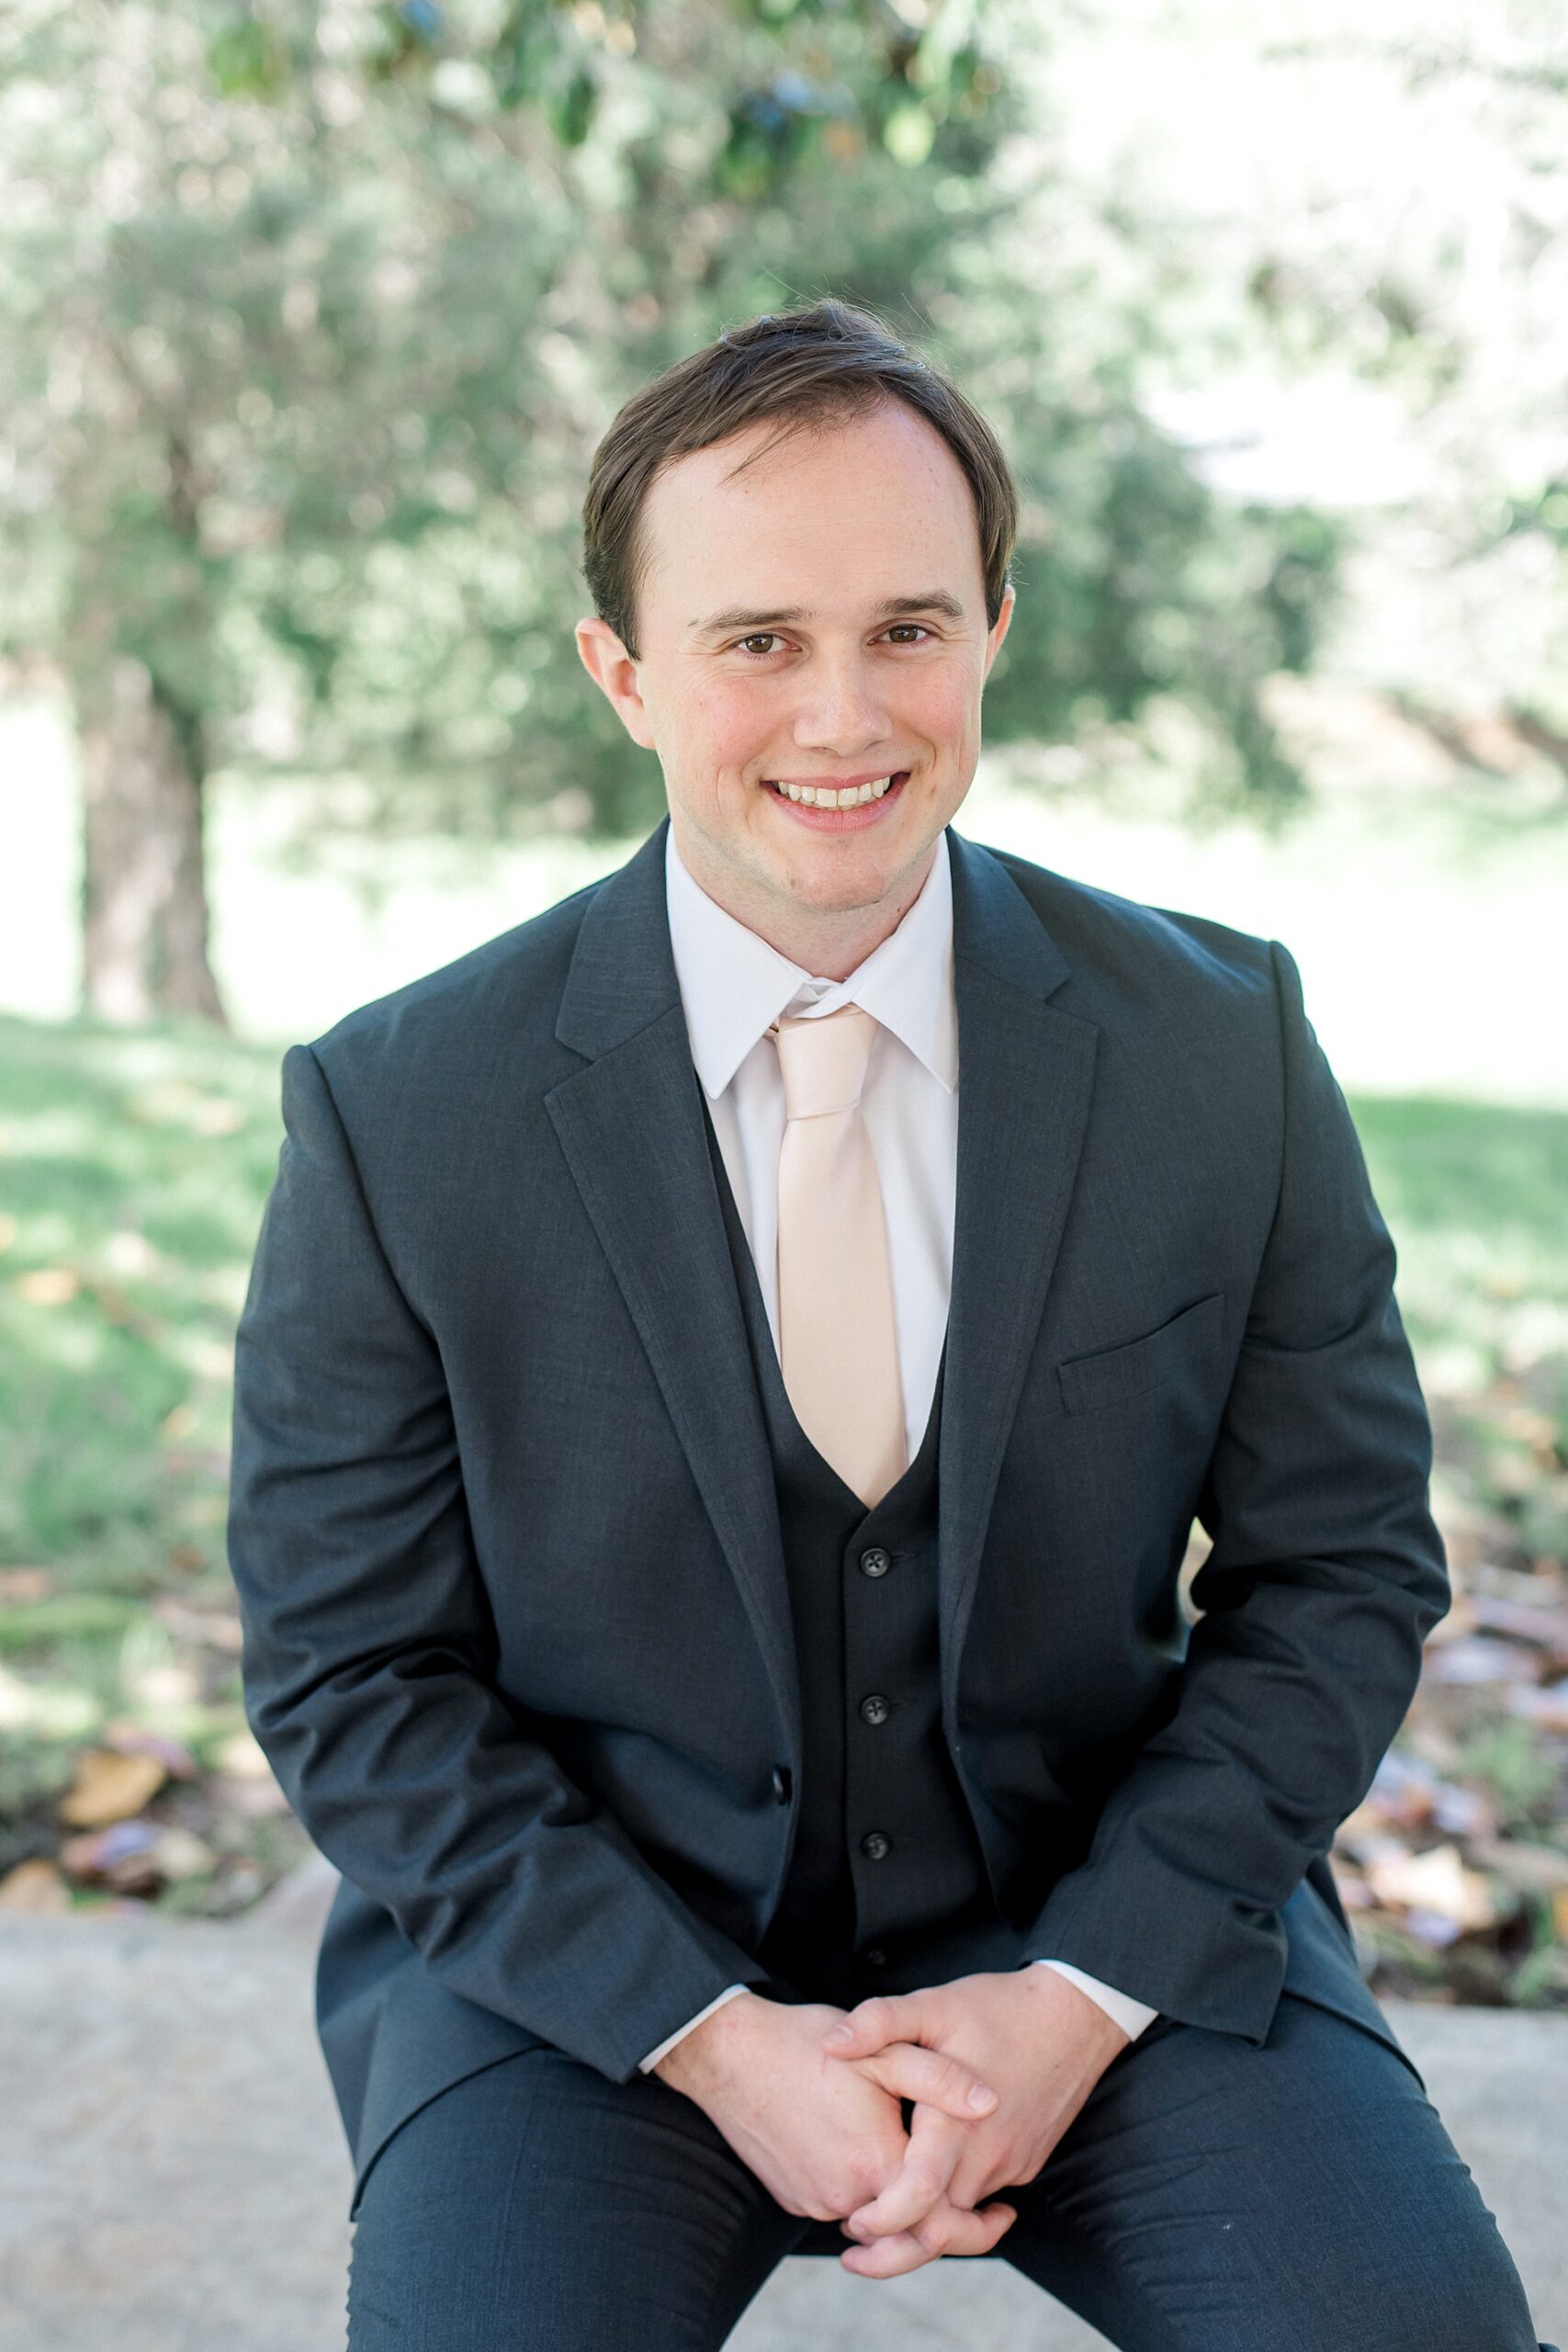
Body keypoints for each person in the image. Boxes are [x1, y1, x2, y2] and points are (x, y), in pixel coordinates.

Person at [228, 300, 1555, 2351]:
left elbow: (1339, 1572)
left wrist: (1077, 1991)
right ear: (623, 673)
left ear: (992, 631)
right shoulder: (403, 1110)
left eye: (905, 627)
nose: (840, 711)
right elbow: (353, 1670)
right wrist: (709, 2038)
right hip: (598, 1970)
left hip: (1103, 1932)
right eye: (756, 638)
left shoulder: (1220, 1050)